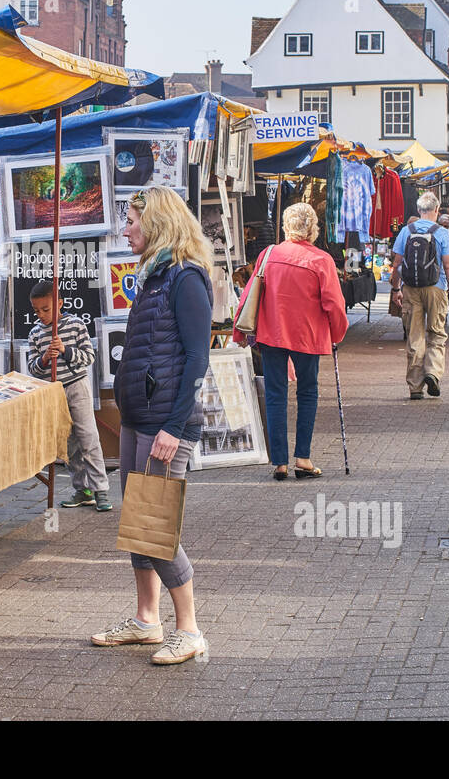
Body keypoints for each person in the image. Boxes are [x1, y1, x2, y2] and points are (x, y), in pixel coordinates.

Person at [91, 186, 212, 666]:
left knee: (155, 527)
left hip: (165, 425)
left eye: (132, 222)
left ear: (157, 223)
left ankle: (190, 630)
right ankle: (146, 620)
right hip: (140, 420)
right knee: (136, 525)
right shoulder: (155, 275)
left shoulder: (186, 278)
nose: (125, 230)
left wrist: (173, 426)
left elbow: (197, 358)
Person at [232, 203, 348, 481]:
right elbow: (334, 303)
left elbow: (249, 295)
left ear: (286, 226)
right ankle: (303, 458)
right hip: (307, 335)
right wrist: (337, 333)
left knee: (275, 393)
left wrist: (240, 331)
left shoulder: (268, 254)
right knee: (307, 392)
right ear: (313, 229)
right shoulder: (321, 261)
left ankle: (280, 462)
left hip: (272, 333)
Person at [26, 280, 111, 512]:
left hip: (77, 387)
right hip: (54, 393)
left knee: (88, 437)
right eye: (37, 310)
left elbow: (88, 357)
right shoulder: (35, 333)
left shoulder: (75, 325)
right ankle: (82, 490)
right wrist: (44, 359)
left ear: (60, 304)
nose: (41, 315)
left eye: (46, 309)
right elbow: (32, 368)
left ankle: (100, 488)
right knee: (68, 442)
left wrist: (65, 350)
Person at [391, 193, 449, 400]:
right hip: (436, 288)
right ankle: (432, 373)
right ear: (437, 210)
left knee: (415, 336)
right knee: (436, 333)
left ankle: (415, 386)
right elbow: (448, 266)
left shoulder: (406, 231)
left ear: (418, 209)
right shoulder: (442, 233)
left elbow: (396, 264)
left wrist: (396, 290)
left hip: (411, 288)